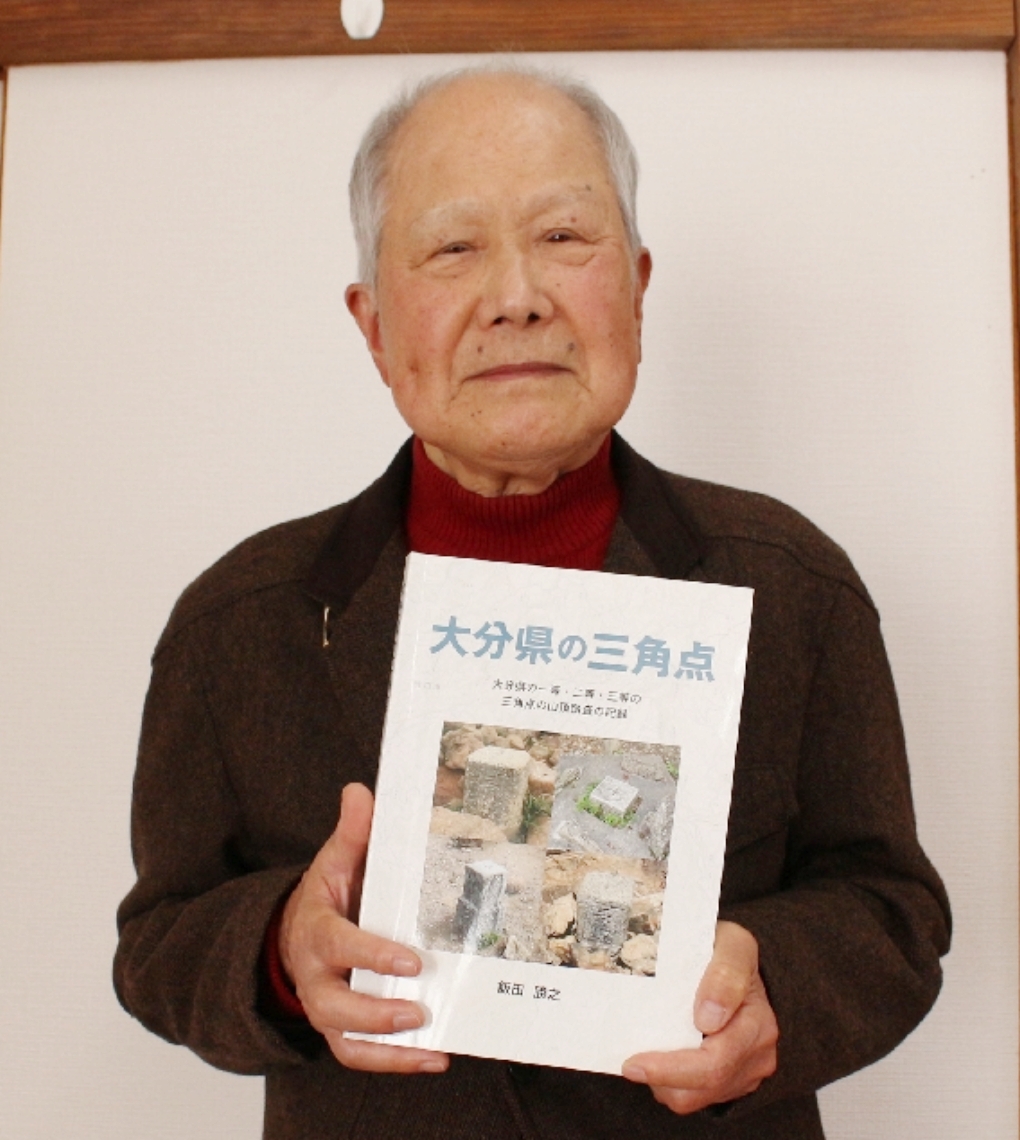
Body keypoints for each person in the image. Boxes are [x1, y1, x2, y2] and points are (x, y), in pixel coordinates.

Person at [114, 64, 950, 1140]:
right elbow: (160, 944)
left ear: (637, 287)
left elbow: (892, 913)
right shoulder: (238, 621)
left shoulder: (791, 585)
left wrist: (773, 984)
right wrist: (281, 950)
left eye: (563, 236)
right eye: (453, 248)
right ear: (373, 325)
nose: (516, 296)